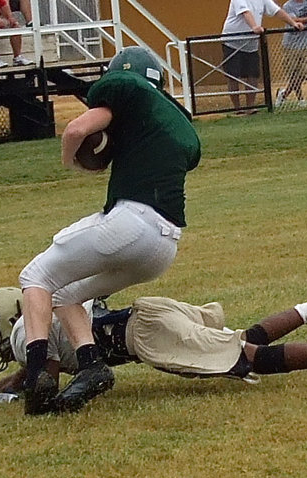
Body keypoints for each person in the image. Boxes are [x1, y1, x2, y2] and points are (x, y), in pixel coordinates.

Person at [18, 46, 201, 416]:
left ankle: (37, 373)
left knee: (36, 276)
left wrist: (71, 162)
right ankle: (91, 365)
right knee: (66, 292)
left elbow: (76, 128)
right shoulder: (176, 120)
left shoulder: (126, 91)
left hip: (132, 221)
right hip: (164, 245)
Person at [0, 279, 307, 406]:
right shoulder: (45, 311)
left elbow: (41, 376)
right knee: (240, 342)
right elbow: (29, 371)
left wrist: (9, 396)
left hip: (145, 334)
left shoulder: (25, 328)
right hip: (148, 317)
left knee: (245, 359)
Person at [221, 0, 302, 113]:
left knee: (252, 75)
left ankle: (250, 107)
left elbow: (277, 11)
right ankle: (237, 109)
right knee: (233, 76)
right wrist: (254, 27)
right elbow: (246, 13)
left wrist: (293, 23)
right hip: (232, 42)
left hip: (251, 45)